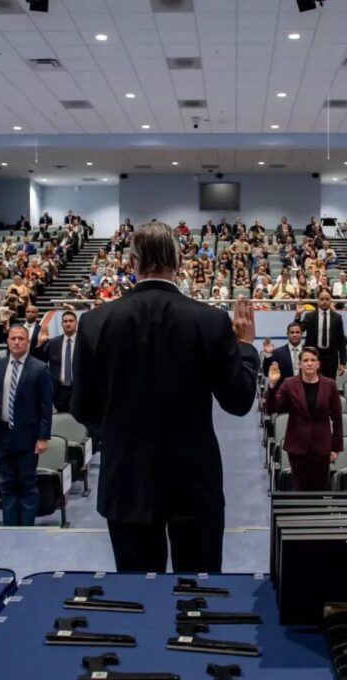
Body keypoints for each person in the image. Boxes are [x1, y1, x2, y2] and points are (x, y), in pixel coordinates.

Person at [71, 221, 259, 573]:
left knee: (140, 598)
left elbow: (83, 408)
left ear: (132, 262)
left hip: (126, 481)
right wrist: (245, 347)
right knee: (199, 594)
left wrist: (123, 431)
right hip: (193, 482)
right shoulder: (210, 321)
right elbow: (239, 401)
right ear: (179, 260)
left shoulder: (95, 322)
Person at [0, 325, 53, 527]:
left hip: (28, 436)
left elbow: (45, 406)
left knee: (28, 484)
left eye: (21, 338)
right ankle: (10, 528)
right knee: (7, 483)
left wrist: (43, 437)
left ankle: (26, 529)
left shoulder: (39, 368)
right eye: (13, 338)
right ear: (7, 341)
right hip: (1, 434)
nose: (16, 342)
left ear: (27, 342)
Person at [265, 346, 342, 491]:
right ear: (299, 364)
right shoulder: (289, 384)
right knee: (300, 489)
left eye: (313, 360)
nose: (310, 363)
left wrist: (336, 447)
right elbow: (272, 408)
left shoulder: (329, 385)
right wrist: (273, 384)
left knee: (321, 489)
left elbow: (337, 418)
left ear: (318, 364)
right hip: (297, 447)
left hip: (322, 447)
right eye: (306, 360)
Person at [296, 289, 346, 379]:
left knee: (329, 386)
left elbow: (341, 341)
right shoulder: (309, 316)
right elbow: (299, 331)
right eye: (322, 299)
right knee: (310, 384)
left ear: (330, 301)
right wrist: (298, 315)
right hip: (313, 356)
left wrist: (342, 362)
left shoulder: (337, 317)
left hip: (331, 358)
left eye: (327, 299)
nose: (324, 301)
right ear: (318, 301)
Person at [37, 309, 78, 413]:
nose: (68, 323)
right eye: (65, 321)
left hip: (79, 390)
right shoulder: (53, 343)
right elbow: (40, 361)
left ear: (76, 323)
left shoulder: (83, 342)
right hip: (60, 391)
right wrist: (40, 344)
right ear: (61, 324)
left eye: (71, 321)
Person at [261, 322, 304, 390]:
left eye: (297, 332)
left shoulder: (308, 352)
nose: (295, 334)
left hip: (304, 391)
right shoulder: (277, 353)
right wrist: (268, 354)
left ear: (302, 334)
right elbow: (267, 373)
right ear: (287, 334)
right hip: (284, 392)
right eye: (292, 332)